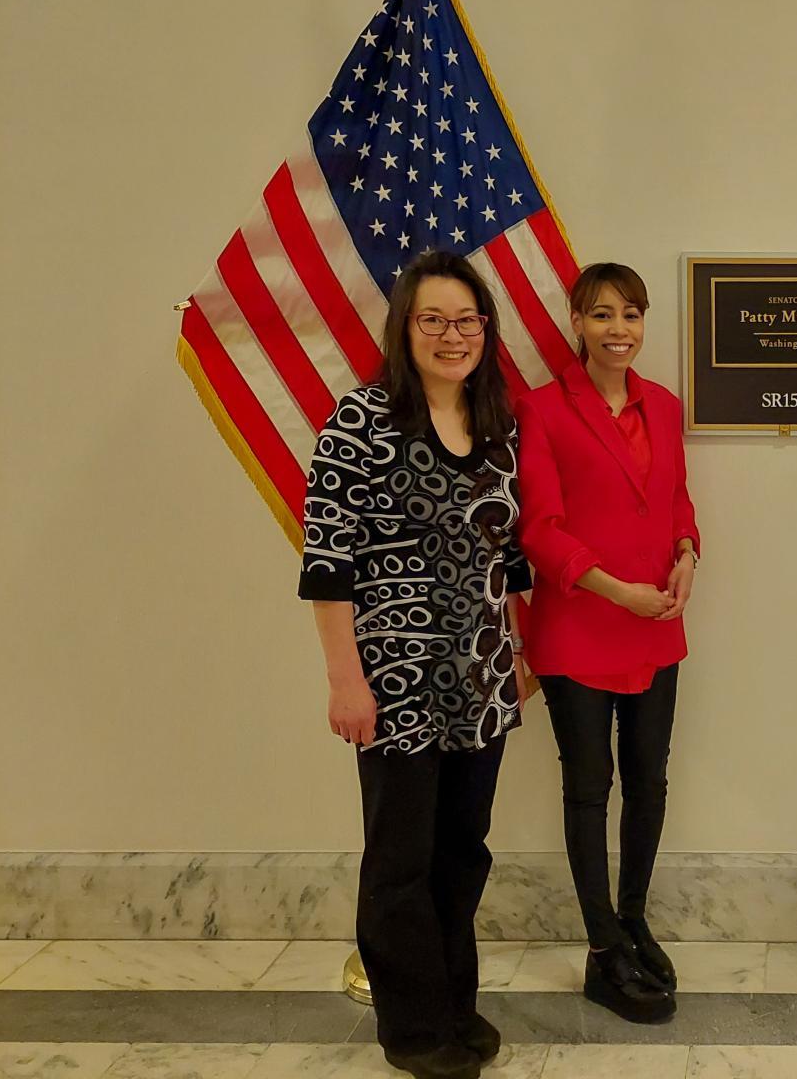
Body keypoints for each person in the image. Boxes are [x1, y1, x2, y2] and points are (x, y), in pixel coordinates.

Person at [300, 250, 533, 1079]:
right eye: (433, 318)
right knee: (400, 857)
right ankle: (411, 1029)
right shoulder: (361, 419)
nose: (452, 334)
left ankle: (454, 1009)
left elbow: (508, 554)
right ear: (404, 327)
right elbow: (328, 563)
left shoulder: (497, 421)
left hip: (484, 684)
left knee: (462, 851)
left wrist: (520, 652)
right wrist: (344, 679)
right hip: (394, 686)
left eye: (468, 319)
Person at [515, 262, 700, 1024]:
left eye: (630, 314)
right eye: (601, 315)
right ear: (576, 322)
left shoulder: (664, 405)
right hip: (580, 626)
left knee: (649, 781)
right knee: (589, 787)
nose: (618, 329)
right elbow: (539, 529)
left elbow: (677, 500)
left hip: (656, 624)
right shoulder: (542, 409)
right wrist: (614, 588)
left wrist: (689, 551)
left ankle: (632, 920)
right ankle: (600, 951)